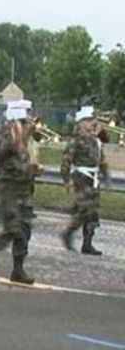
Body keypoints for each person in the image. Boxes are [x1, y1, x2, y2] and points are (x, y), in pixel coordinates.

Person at [0, 100, 41, 284]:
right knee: (14, 229)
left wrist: (33, 168)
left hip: (23, 190)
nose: (27, 124)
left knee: (25, 230)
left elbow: (25, 163)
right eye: (23, 120)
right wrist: (14, 137)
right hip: (9, 191)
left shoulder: (24, 139)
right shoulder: (7, 137)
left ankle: (18, 270)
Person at [60, 106, 108, 256]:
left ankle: (87, 244)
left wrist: (105, 175)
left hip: (93, 179)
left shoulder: (95, 139)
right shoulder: (77, 140)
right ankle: (68, 233)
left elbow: (101, 159)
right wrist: (66, 179)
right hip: (81, 178)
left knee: (93, 212)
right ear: (80, 123)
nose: (92, 123)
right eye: (88, 121)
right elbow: (66, 161)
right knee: (85, 210)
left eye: (92, 120)